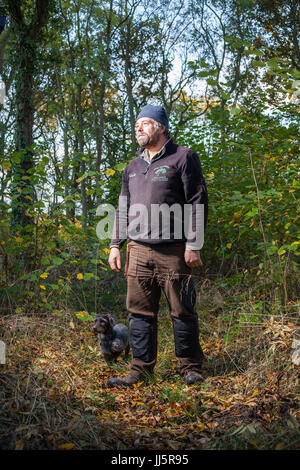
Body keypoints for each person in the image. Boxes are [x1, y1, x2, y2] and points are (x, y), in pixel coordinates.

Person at [108, 104, 208, 387]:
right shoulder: (132, 167)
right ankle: (140, 371)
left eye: (146, 122)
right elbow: (123, 208)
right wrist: (116, 244)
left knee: (182, 310)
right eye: (137, 123)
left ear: (162, 127)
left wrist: (194, 243)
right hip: (138, 251)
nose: (139, 127)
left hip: (174, 250)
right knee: (139, 313)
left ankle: (191, 367)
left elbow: (197, 201)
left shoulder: (183, 157)